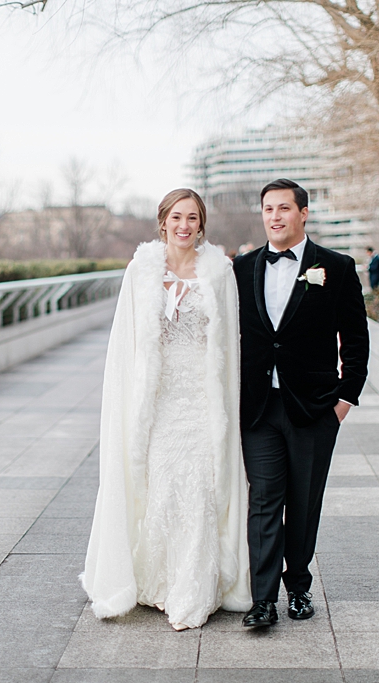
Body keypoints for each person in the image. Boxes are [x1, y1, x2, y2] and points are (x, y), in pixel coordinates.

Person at [82, 188, 252, 630]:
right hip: (157, 401)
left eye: (192, 218)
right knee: (160, 487)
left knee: (198, 488)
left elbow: (230, 344)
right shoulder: (141, 270)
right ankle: (156, 580)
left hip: (201, 399)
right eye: (176, 217)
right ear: (163, 221)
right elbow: (125, 342)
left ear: (201, 224)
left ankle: (193, 589)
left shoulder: (219, 272)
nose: (184, 225)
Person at [232, 178, 369, 628]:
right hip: (258, 409)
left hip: (314, 408)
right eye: (269, 208)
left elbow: (356, 340)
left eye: (284, 208)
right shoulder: (241, 268)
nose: (275, 216)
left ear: (303, 213)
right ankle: (263, 599)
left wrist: (345, 398)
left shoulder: (337, 267)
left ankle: (299, 588)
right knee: (265, 500)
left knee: (304, 502)